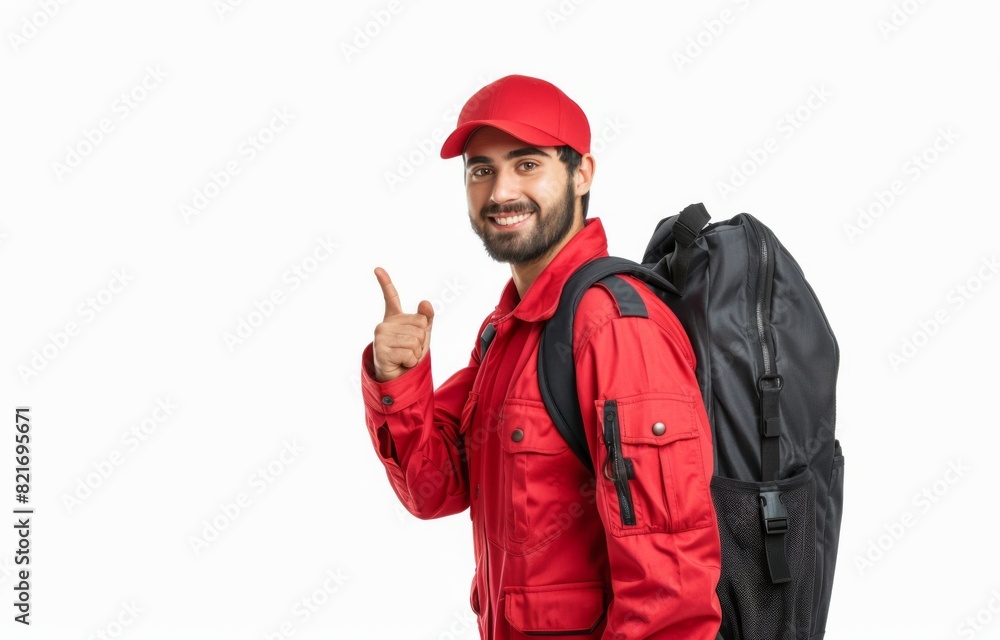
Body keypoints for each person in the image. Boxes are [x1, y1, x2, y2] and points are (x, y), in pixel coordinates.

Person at [360, 74, 722, 639]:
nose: (500, 192)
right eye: (481, 170)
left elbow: (670, 586)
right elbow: (434, 489)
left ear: (582, 174)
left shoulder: (614, 327)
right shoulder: (508, 328)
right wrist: (398, 381)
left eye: (527, 164)